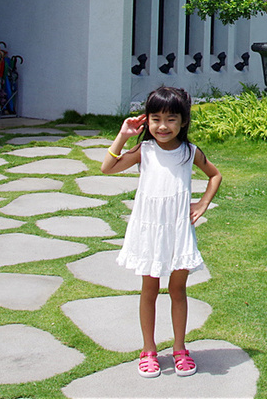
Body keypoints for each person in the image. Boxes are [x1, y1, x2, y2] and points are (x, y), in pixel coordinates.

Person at [102, 86, 222, 378]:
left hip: (178, 231)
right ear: (148, 121)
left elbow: (215, 175)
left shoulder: (189, 152)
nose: (162, 126)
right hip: (150, 232)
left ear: (183, 121)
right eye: (155, 118)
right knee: (150, 290)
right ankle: (148, 350)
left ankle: (180, 349)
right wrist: (123, 136)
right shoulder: (144, 150)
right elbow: (107, 168)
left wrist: (203, 203)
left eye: (170, 118)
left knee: (178, 290)